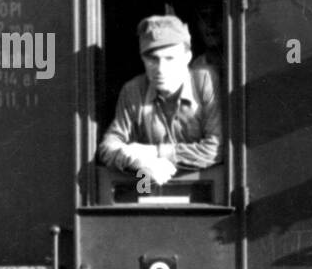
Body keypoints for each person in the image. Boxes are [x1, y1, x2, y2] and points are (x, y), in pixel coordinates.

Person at [96, 14, 223, 186]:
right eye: (152, 59)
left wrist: (155, 152)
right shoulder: (133, 90)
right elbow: (108, 147)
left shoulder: (205, 81)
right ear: (143, 58)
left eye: (170, 58)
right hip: (148, 189)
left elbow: (216, 149)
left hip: (204, 190)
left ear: (187, 57)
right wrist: (137, 161)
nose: (161, 69)